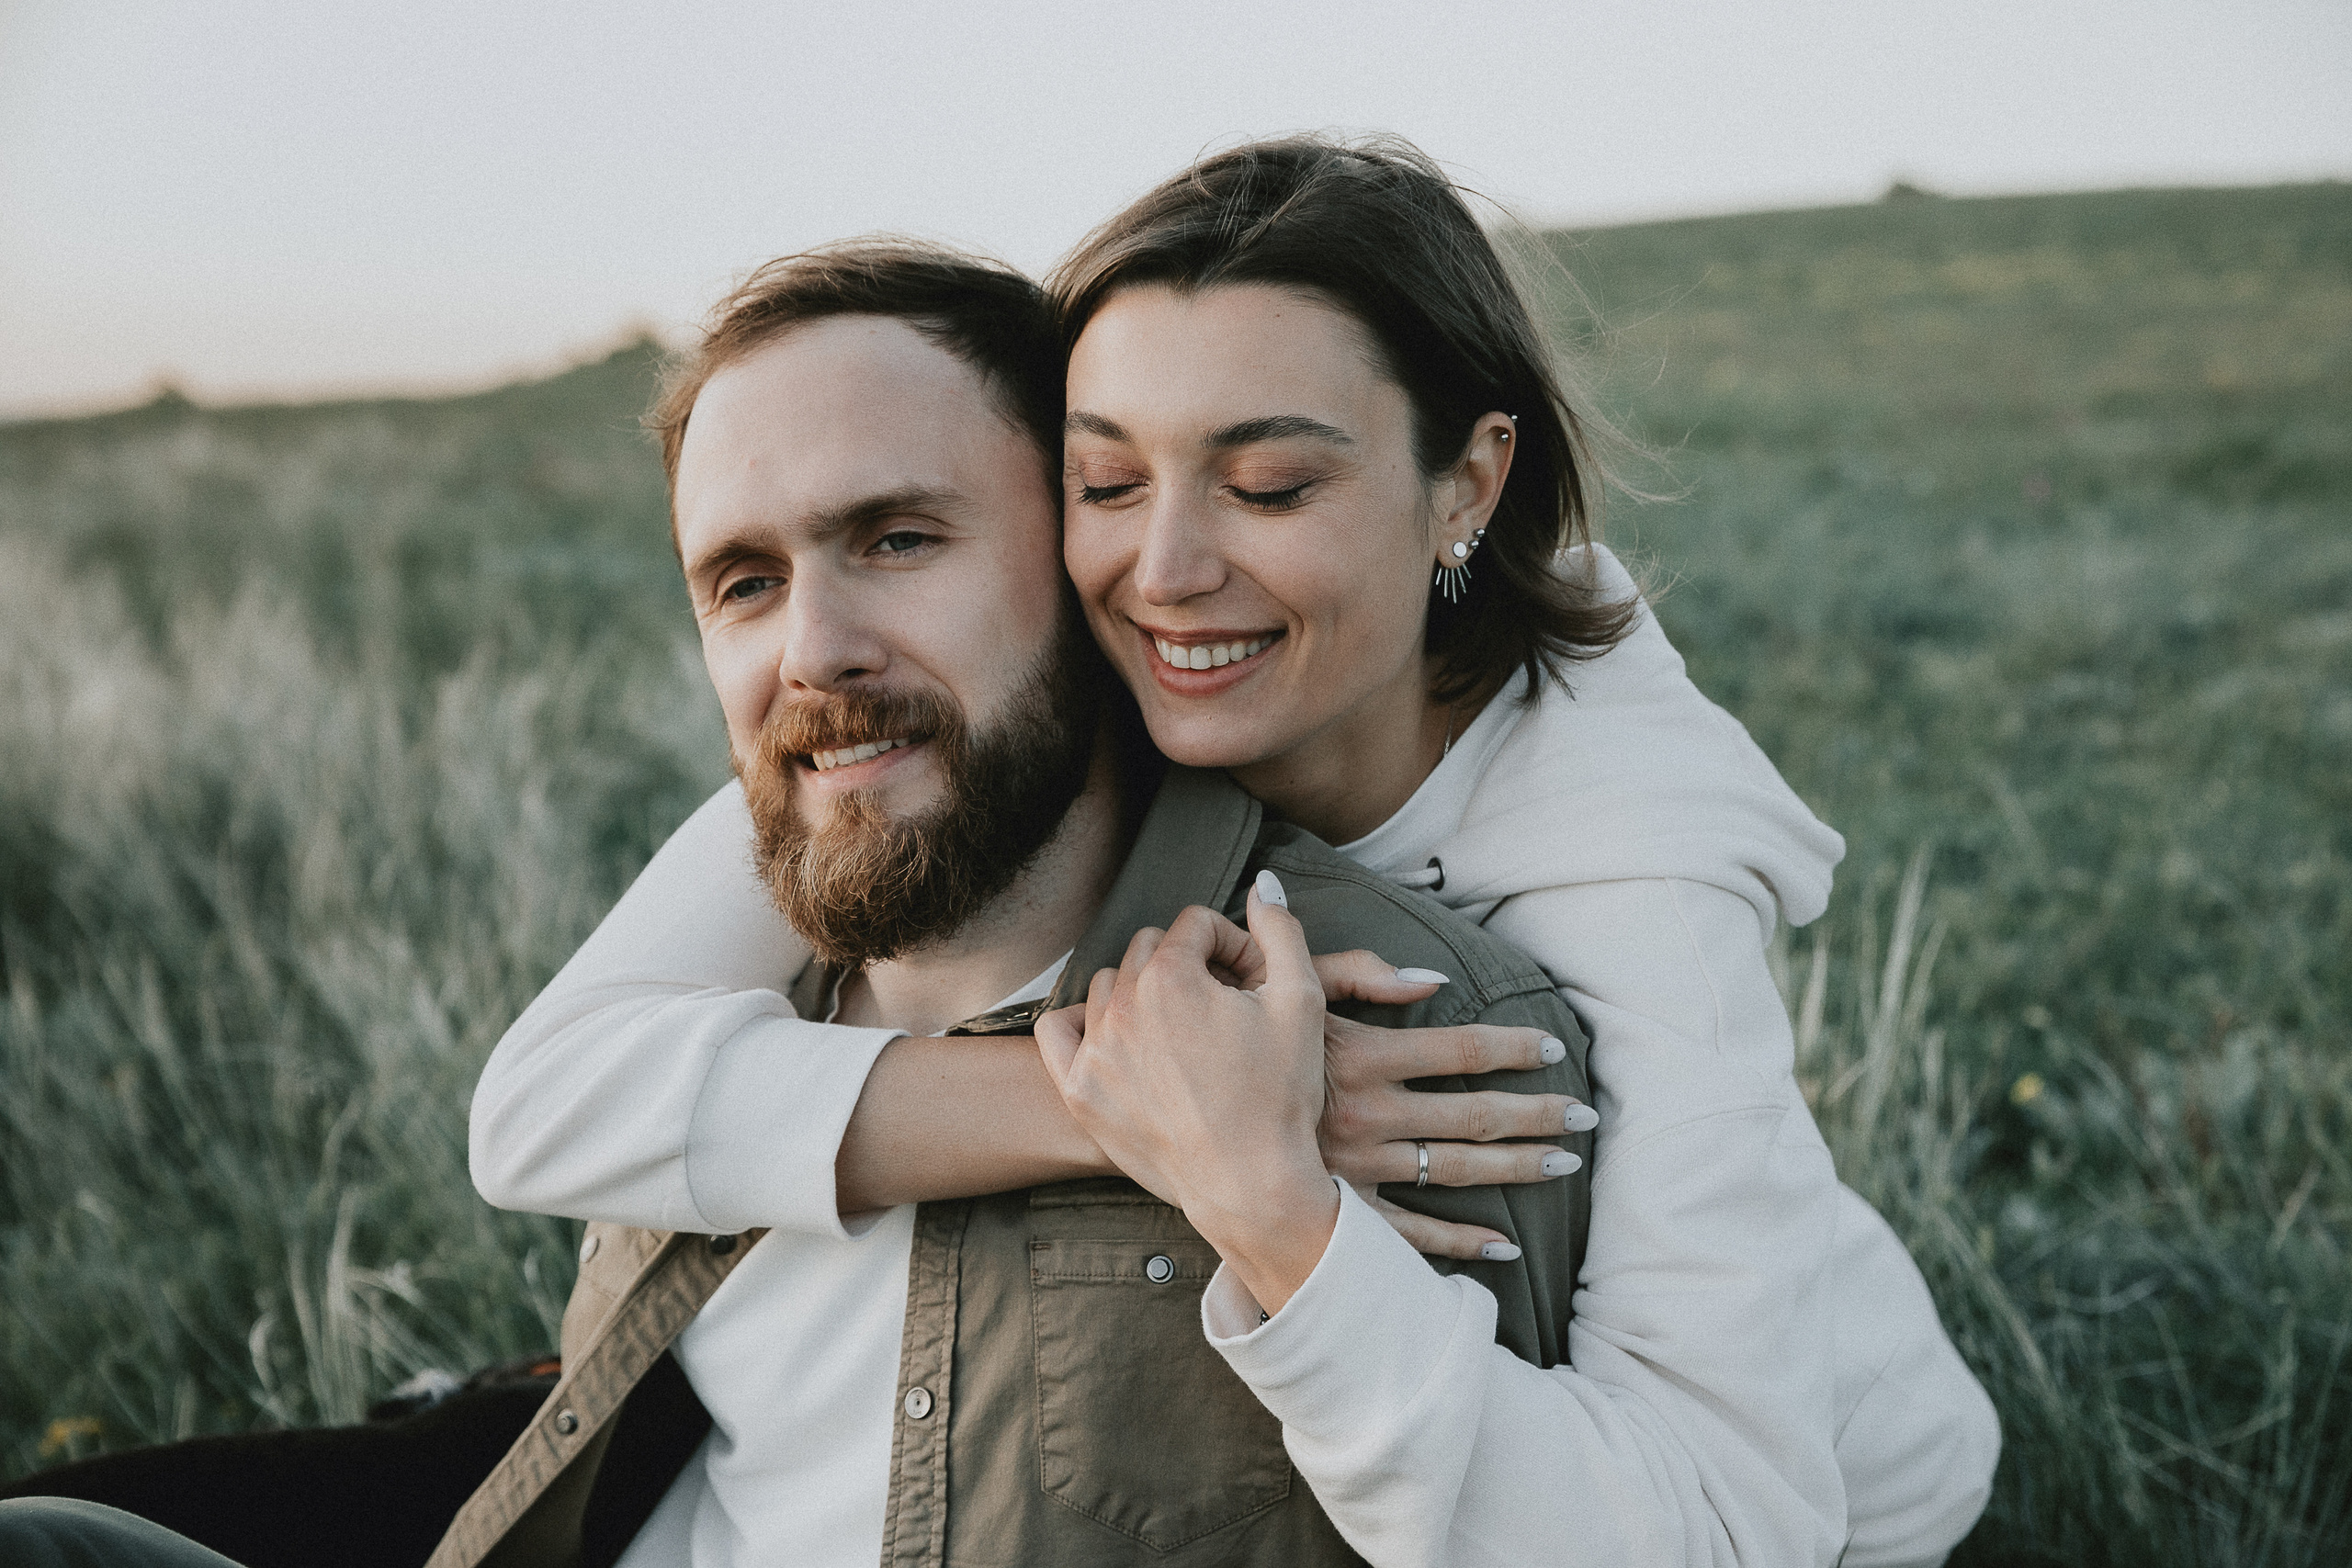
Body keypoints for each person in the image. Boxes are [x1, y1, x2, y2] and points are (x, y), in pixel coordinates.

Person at [472, 136, 2001, 1566]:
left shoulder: (1628, 865)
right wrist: (1128, 1101)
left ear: (1468, 484)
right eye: (1107, 483)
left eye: (1270, 486)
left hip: (1839, 1490)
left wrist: (1268, 1198)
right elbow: (549, 1100)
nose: (1166, 570)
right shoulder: (1060, 697)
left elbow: (1729, 1516)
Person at [0, 239, 1604, 1568]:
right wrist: (1117, 1108)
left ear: (1090, 552)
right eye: (745, 583)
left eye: (897, 539)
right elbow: (537, 1120)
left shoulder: (1411, 1044)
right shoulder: (723, 999)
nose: (814, 651)